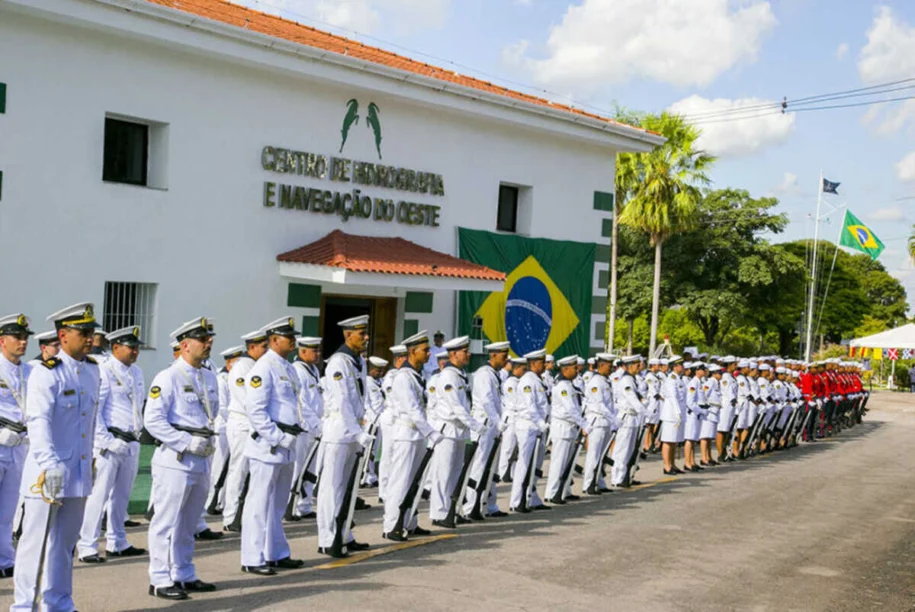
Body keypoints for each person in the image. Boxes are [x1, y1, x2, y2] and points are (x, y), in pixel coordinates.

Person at [13, 303, 100, 611]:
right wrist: (49, 464)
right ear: (63, 335)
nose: (90, 338)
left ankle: (59, 602)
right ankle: (24, 607)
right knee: (33, 545)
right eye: (83, 333)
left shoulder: (92, 371)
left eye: (91, 332)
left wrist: (92, 459)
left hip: (77, 472)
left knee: (64, 545)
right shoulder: (46, 373)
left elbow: (91, 421)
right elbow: (38, 421)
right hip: (46, 474)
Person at [145, 317, 219, 601]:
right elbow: (153, 421)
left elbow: (215, 413)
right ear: (185, 345)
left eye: (209, 338)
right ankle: (160, 578)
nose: (208, 342)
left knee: (189, 522)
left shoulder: (209, 377)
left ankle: (184, 573)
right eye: (202, 339)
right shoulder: (168, 377)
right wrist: (187, 442)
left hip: (202, 456)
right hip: (176, 457)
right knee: (165, 522)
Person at [240, 317, 306, 576]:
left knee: (278, 503)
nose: (294, 341)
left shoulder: (288, 368)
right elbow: (255, 412)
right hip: (268, 445)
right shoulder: (263, 368)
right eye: (289, 337)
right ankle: (252, 557)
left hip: (287, 443)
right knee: (258, 503)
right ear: (274, 340)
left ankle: (275, 553)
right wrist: (278, 437)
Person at [77, 326, 147, 563]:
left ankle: (117, 541)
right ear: (116, 347)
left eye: (137, 347)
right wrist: (106, 441)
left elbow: (137, 406)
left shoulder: (136, 372)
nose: (135, 352)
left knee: (122, 496)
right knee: (99, 495)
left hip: (131, 440)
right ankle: (87, 545)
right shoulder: (104, 371)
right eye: (131, 347)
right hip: (110, 442)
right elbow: (96, 410)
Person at [316, 315, 374, 557]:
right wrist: (357, 432)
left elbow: (360, 398)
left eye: (366, 332)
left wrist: (364, 425)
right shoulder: (338, 363)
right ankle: (328, 538)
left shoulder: (356, 362)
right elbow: (342, 403)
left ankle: (343, 534)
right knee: (332, 487)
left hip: (352, 433)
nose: (366, 337)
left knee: (347, 488)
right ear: (348, 335)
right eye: (361, 333)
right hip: (339, 432)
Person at [382, 331, 443, 540]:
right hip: (406, 433)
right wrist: (431, 431)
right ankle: (392, 525)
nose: (428, 354)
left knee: (414, 482)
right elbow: (413, 409)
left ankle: (409, 522)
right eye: (425, 350)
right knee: (400, 481)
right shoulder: (402, 378)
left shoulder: (417, 376)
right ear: (412, 351)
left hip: (416, 435)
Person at [428, 336, 482, 528]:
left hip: (459, 432)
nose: (468, 354)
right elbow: (456, 407)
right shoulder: (448, 376)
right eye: (464, 351)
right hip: (448, 430)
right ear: (453, 354)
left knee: (456, 473)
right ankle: (439, 513)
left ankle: (452, 509)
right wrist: (475, 425)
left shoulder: (460, 374)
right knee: (443, 474)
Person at [222, 327, 268, 532]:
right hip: (242, 424)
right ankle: (231, 516)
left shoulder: (260, 365)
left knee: (252, 472)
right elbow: (245, 399)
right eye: (263, 346)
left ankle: (245, 513)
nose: (267, 350)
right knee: (238, 470)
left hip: (255, 425)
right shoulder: (242, 367)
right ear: (252, 347)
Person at [0, 314, 33, 580]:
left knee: (9, 509)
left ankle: (5, 559)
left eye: (25, 338)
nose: (23, 342)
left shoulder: (31, 371)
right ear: (2, 341)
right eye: (17, 338)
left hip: (20, 446)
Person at [464, 341, 510, 519]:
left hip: (493, 425)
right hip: (484, 424)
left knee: (492, 466)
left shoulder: (494, 374)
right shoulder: (484, 374)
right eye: (503, 356)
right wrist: (498, 421)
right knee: (480, 465)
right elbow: (487, 400)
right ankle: (471, 506)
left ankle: (488, 504)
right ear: (493, 355)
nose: (506, 360)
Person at [287, 336, 323, 521]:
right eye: (313, 350)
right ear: (302, 352)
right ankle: (291, 506)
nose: (317, 354)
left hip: (315, 428)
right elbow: (302, 403)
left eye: (318, 350)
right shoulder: (297, 371)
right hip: (303, 427)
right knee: (298, 467)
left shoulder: (314, 370)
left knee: (311, 468)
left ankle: (305, 505)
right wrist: (317, 423)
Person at [206, 345, 245, 516]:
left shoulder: (235, 376)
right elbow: (221, 407)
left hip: (231, 426)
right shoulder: (221, 379)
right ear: (229, 362)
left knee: (231, 465)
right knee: (219, 466)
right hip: (223, 426)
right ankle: (212, 500)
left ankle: (223, 501)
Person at [510, 350, 550, 512]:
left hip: (537, 427)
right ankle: (517, 500)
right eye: (542, 362)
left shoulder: (536, 380)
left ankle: (531, 497)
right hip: (528, 426)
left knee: (535, 464)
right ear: (533, 364)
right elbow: (529, 406)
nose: (545, 365)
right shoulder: (528, 381)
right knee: (524, 463)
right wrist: (541, 423)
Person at [544, 355, 584, 503]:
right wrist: (585, 425)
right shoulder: (562, 387)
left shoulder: (569, 385)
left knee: (567, 462)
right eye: (574, 368)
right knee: (558, 462)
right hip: (562, 428)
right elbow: (571, 409)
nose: (577, 371)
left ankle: (564, 490)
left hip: (570, 428)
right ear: (565, 369)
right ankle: (552, 493)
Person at [610, 355, 646, 487]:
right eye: (637, 365)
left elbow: (639, 397)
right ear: (630, 365)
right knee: (622, 449)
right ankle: (617, 478)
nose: (639, 367)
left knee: (629, 449)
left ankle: (624, 475)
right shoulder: (626, 380)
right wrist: (644, 411)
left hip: (633, 418)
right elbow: (632, 399)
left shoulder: (632, 379)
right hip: (626, 418)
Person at [378, 345, 407, 504]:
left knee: (397, 455)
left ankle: (394, 488)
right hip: (391, 418)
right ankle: (384, 490)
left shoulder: (406, 374)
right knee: (388, 454)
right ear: (399, 358)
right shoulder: (391, 376)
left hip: (400, 419)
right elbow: (393, 398)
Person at [582, 353, 614, 495]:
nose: (611, 368)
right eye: (609, 365)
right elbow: (600, 404)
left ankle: (599, 482)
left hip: (605, 422)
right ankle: (589, 484)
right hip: (597, 422)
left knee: (601, 455)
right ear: (601, 365)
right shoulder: (595, 382)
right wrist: (614, 418)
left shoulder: (604, 380)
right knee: (593, 455)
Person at [496, 356, 526, 484]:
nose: (525, 372)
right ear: (516, 369)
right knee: (508, 448)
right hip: (511, 417)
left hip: (519, 417)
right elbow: (515, 402)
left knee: (516, 449)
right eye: (523, 369)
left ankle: (512, 472)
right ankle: (503, 472)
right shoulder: (510, 383)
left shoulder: (520, 382)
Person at [361, 356, 387, 488]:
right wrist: (372, 419)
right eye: (377, 370)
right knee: (368, 450)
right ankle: (364, 477)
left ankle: (371, 476)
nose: (380, 373)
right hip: (372, 420)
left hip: (381, 419)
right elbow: (366, 403)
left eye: (382, 370)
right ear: (371, 369)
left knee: (374, 450)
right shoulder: (367, 382)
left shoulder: (381, 382)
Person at [660, 355, 686, 474]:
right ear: (675, 366)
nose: (683, 366)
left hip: (677, 414)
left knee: (674, 441)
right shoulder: (670, 379)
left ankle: (672, 464)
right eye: (681, 365)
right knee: (668, 440)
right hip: (671, 415)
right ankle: (666, 466)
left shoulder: (678, 379)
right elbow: (672, 397)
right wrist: (677, 412)